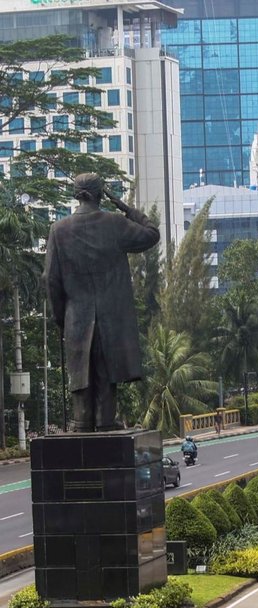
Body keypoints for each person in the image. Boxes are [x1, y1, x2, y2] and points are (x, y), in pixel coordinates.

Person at [43, 173, 160, 432]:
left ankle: (81, 422)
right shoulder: (115, 224)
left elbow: (51, 279)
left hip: (76, 316)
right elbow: (152, 234)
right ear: (100, 194)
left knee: (80, 373)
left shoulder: (58, 230)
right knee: (106, 371)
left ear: (77, 194)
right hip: (110, 317)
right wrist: (126, 208)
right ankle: (106, 421)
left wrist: (61, 318)